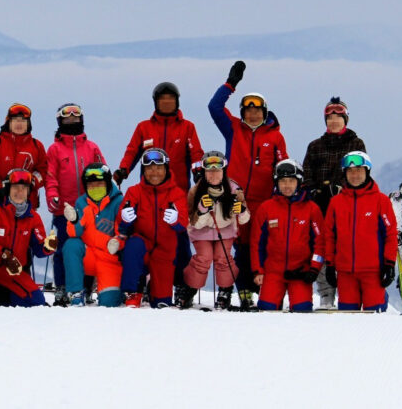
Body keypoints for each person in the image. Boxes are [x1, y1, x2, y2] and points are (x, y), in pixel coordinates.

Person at [208, 60, 288, 310]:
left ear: (265, 112)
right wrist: (230, 84)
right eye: (248, 110)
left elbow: (282, 167)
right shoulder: (233, 129)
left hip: (264, 201)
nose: (253, 114)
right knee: (239, 247)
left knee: (261, 245)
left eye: (257, 110)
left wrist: (280, 196)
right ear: (242, 113)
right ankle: (242, 291)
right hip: (235, 200)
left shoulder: (275, 137)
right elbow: (214, 107)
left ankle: (259, 288)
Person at [113, 82, 204, 298]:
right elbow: (132, 151)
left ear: (177, 102)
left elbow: (196, 153)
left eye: (170, 99)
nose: (166, 103)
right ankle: (141, 280)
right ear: (155, 102)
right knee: (143, 235)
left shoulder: (187, 127)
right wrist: (123, 170)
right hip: (148, 194)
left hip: (176, 193)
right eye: (162, 99)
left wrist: (198, 174)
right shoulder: (144, 127)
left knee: (178, 241)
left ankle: (181, 284)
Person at [302, 96, 367, 309]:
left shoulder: (355, 143)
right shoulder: (315, 146)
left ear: (345, 119)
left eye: (338, 117)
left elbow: (359, 172)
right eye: (329, 117)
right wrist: (315, 191)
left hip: (347, 204)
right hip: (320, 205)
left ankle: (352, 291)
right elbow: (307, 173)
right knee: (322, 247)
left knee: (346, 246)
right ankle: (326, 294)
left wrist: (338, 188)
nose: (334, 121)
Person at [0, 168, 56, 308]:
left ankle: (0, 293)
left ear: (28, 192)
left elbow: (39, 250)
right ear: (8, 188)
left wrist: (48, 247)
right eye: (15, 188)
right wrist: (4, 255)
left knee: (37, 302)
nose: (19, 192)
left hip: (13, 272)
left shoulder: (33, 217)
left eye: (24, 188)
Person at [45, 103, 105, 306]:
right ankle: (61, 287)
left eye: (76, 116)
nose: (72, 120)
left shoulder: (92, 147)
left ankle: (86, 288)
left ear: (82, 119)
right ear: (60, 121)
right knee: (62, 249)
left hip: (89, 209)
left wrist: (108, 198)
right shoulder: (54, 149)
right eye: (67, 117)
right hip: (65, 209)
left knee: (88, 248)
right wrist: (53, 196)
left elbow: (103, 173)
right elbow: (50, 176)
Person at [324, 151, 397, 312]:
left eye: (359, 170)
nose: (354, 175)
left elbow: (391, 235)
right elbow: (329, 235)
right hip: (345, 273)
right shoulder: (336, 202)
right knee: (348, 318)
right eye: (350, 171)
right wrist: (330, 264)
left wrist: (389, 263)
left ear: (367, 172)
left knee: (374, 318)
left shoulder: (381, 200)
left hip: (373, 272)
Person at [116, 148, 189, 308]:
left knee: (161, 303)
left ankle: (152, 288)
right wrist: (124, 219)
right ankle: (133, 291)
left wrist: (176, 221)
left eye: (159, 167)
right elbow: (120, 221)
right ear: (143, 171)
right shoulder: (134, 191)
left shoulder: (176, 193)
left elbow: (183, 225)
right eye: (149, 168)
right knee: (133, 245)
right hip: (142, 243)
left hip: (164, 250)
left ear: (166, 169)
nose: (154, 172)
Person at [178, 151, 249, 310]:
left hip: (225, 231)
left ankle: (225, 291)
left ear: (224, 171)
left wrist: (241, 211)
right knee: (203, 257)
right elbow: (192, 222)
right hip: (201, 232)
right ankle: (189, 289)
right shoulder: (196, 191)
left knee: (223, 258)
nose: (213, 174)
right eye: (209, 171)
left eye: (217, 170)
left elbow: (245, 219)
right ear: (204, 172)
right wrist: (202, 211)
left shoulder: (234, 189)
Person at [250, 159, 325, 312]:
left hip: (300, 273)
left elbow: (320, 243)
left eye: (291, 181)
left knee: (302, 311)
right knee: (266, 310)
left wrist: (314, 269)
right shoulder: (266, 208)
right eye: (283, 181)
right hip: (272, 272)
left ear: (299, 182)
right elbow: (256, 242)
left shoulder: (312, 209)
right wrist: (258, 270)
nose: (287, 185)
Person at [61, 163, 125, 307]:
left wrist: (117, 242)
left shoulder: (119, 201)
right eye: (91, 185)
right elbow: (74, 233)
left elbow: (123, 232)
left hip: (109, 259)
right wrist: (74, 221)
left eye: (99, 183)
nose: (95, 188)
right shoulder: (81, 202)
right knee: (71, 245)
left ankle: (119, 292)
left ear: (107, 182)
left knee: (109, 303)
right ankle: (76, 292)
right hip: (88, 254)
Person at [0, 103, 47, 209]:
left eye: (23, 120)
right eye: (15, 120)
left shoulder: (37, 146)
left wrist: (32, 181)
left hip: (28, 207)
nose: (19, 124)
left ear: (28, 124)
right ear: (8, 122)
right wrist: (1, 185)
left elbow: (44, 171)